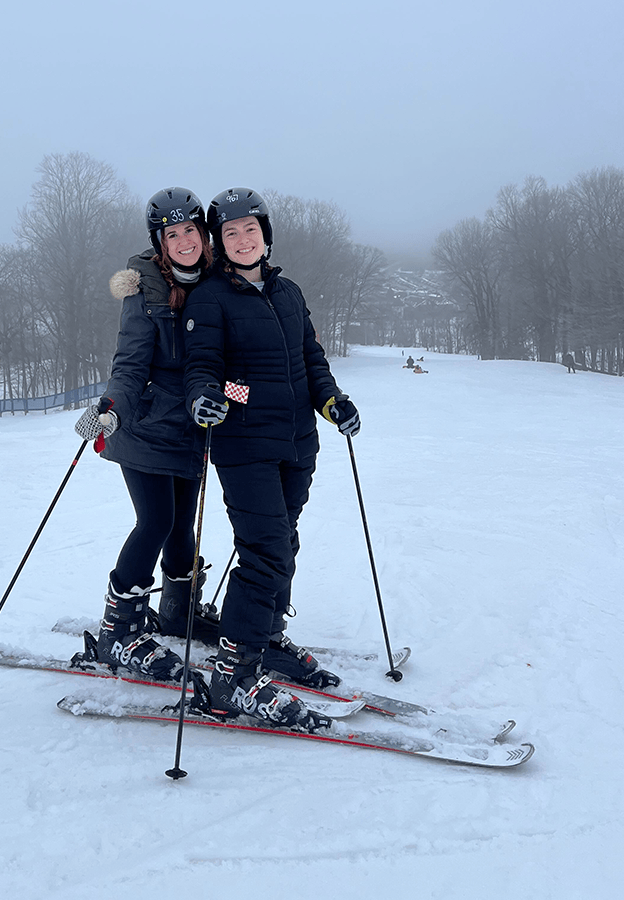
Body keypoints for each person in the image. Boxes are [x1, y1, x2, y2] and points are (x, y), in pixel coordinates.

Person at [183, 187, 361, 731]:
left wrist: (331, 401)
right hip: (244, 448)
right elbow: (201, 367)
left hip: (297, 443)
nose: (241, 239)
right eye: (230, 232)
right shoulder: (210, 298)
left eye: (250, 229)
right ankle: (233, 673)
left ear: (265, 234)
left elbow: (310, 359)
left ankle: (267, 634)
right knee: (265, 552)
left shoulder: (288, 292)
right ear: (220, 241)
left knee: (284, 542)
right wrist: (209, 396)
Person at [73, 187, 217, 683]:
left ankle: (179, 612)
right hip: (144, 427)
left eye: (189, 230)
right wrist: (110, 410)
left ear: (202, 232)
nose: (183, 241)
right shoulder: (144, 292)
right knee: (155, 521)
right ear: (160, 241)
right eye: (171, 233)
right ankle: (120, 631)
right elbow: (130, 365)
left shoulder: (218, 284)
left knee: (183, 528)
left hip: (193, 429)